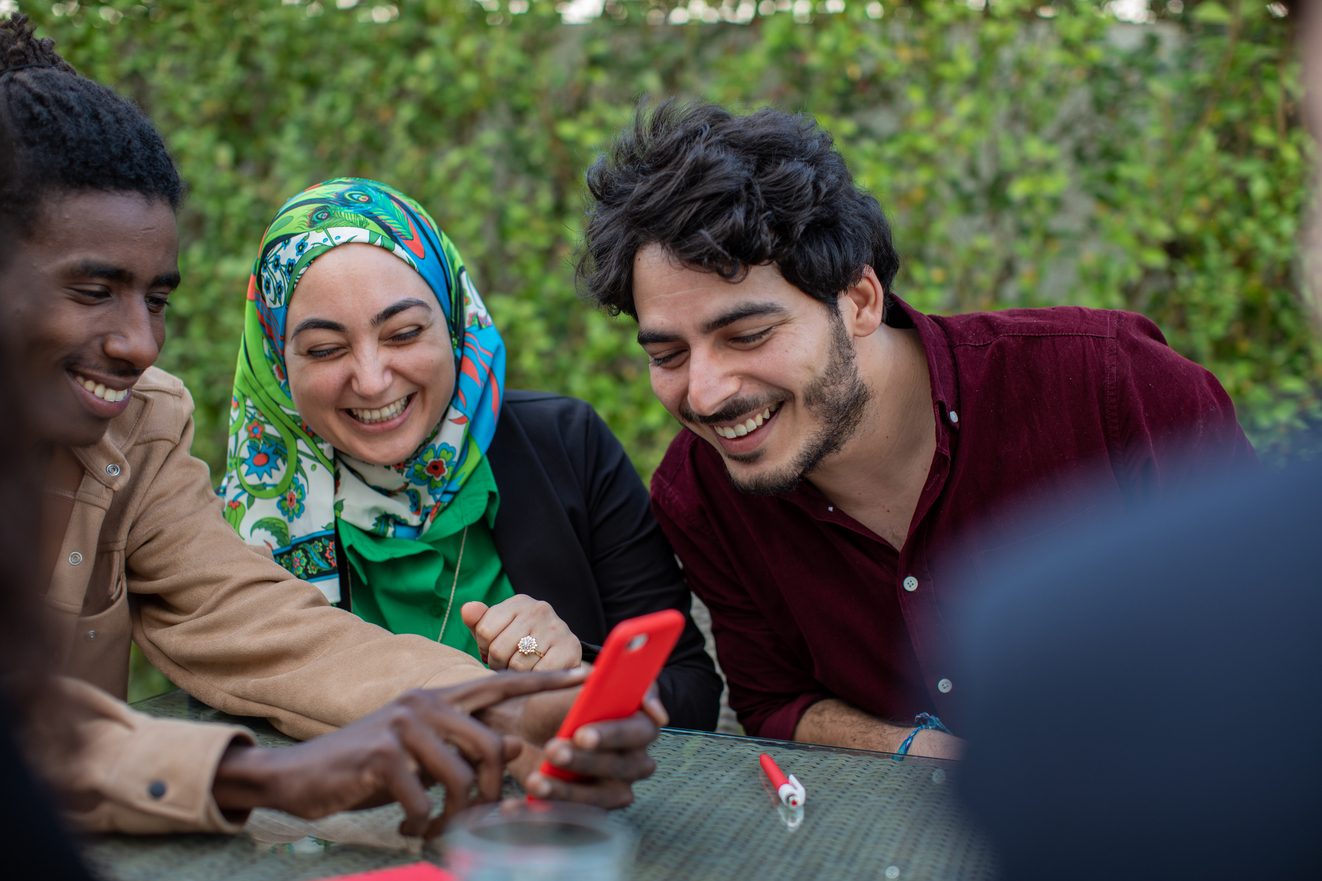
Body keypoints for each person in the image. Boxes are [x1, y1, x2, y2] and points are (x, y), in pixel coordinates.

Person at [0, 13, 658, 838]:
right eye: (94, 291)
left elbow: (268, 627)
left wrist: (511, 711)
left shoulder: (139, 432)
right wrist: (267, 773)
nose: (139, 342)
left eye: (156, 298)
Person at [575, 100, 1258, 759]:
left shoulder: (1116, 386)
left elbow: (1265, 649)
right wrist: (920, 750)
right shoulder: (699, 492)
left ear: (860, 300)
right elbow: (775, 702)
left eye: (747, 335)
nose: (704, 391)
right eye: (667, 354)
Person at [217, 177, 720, 730]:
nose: (372, 379)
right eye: (325, 350)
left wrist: (580, 670)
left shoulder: (566, 444)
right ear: (276, 360)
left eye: (404, 333)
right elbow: (224, 718)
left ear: (455, 323)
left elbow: (689, 689)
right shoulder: (246, 525)